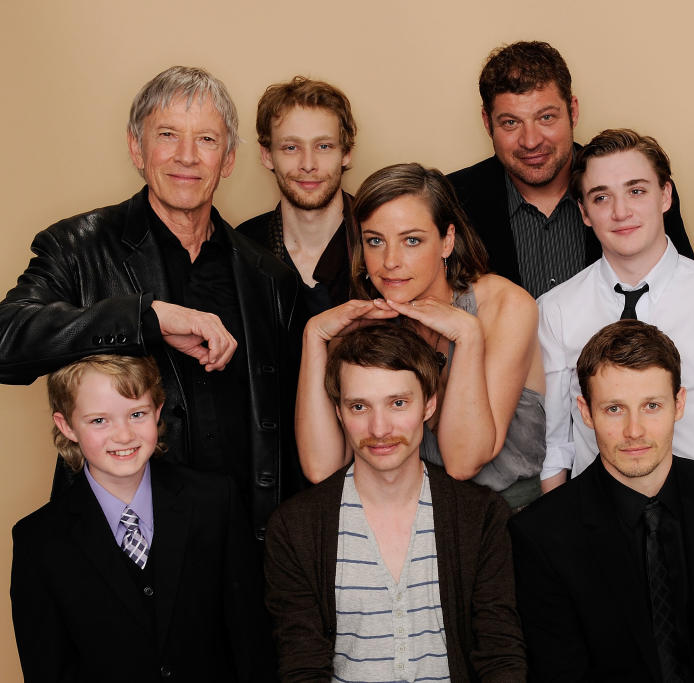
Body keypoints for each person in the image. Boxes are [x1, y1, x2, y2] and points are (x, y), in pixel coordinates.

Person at [0, 66, 302, 540]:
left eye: (206, 139)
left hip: (242, 548)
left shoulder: (271, 279)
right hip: (119, 547)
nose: (186, 157)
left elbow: (289, 431)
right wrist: (145, 317)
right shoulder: (77, 248)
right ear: (136, 147)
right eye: (167, 135)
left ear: (227, 159)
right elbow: (6, 340)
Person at [510, 320, 694, 681]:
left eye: (652, 406)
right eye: (614, 408)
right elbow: (561, 673)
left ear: (679, 404)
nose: (634, 431)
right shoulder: (541, 534)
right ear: (585, 411)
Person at [265, 324, 526, 680]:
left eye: (397, 403)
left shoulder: (479, 515)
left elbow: (500, 654)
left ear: (429, 404)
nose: (379, 428)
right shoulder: (296, 527)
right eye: (359, 406)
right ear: (339, 412)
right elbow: (302, 663)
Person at [538, 129, 694, 500]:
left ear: (665, 195)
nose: (621, 212)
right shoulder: (555, 309)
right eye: (601, 197)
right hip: (599, 526)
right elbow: (557, 447)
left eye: (636, 191)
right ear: (584, 213)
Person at [296, 162, 545, 509]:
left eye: (412, 240)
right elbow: (322, 469)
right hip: (413, 524)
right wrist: (313, 338)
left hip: (511, 518)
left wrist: (468, 335)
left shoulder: (505, 306)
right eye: (375, 241)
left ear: (447, 241)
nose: (390, 261)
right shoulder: (363, 325)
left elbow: (463, 462)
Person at [11, 355, 271, 682]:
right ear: (67, 426)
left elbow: (251, 639)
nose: (123, 436)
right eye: (99, 421)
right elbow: (47, 668)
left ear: (158, 411)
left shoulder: (215, 501)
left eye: (137, 414)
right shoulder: (38, 540)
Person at [447, 40, 693, 299]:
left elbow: (684, 290)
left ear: (573, 112)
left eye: (546, 117)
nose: (530, 141)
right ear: (487, 122)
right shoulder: (453, 200)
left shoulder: (640, 190)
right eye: (510, 122)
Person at [237, 76, 357, 317]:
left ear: (346, 153)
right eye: (291, 147)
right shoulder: (241, 249)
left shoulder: (383, 241)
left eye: (323, 146)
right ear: (267, 155)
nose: (308, 164)